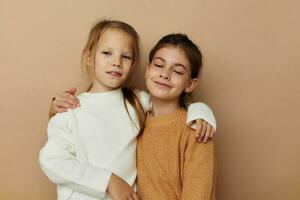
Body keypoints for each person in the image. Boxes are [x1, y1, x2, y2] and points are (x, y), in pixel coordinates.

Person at [39, 20, 216, 200]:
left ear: (134, 64)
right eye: (107, 53)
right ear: (89, 57)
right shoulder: (70, 109)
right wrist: (108, 181)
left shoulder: (135, 101)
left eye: (126, 56)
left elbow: (169, 105)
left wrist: (201, 111)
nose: (116, 62)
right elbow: (52, 161)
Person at [137, 33, 215, 200]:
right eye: (159, 65)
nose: (165, 74)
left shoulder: (196, 130)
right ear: (147, 70)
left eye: (178, 71)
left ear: (190, 84)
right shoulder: (133, 120)